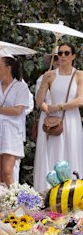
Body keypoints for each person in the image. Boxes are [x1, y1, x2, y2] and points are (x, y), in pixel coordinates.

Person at [35, 43, 83, 192]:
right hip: (52, 122)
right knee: (51, 155)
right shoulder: (49, 75)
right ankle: (47, 192)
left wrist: (59, 107)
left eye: (66, 53)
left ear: (73, 56)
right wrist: (44, 82)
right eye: (59, 54)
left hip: (71, 121)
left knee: (71, 152)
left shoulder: (79, 75)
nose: (62, 56)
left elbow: (80, 100)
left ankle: (72, 194)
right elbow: (39, 101)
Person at [0, 55, 30, 186]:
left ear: (8, 68)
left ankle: (12, 202)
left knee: (7, 171)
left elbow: (18, 110)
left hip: (12, 132)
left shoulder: (21, 87)